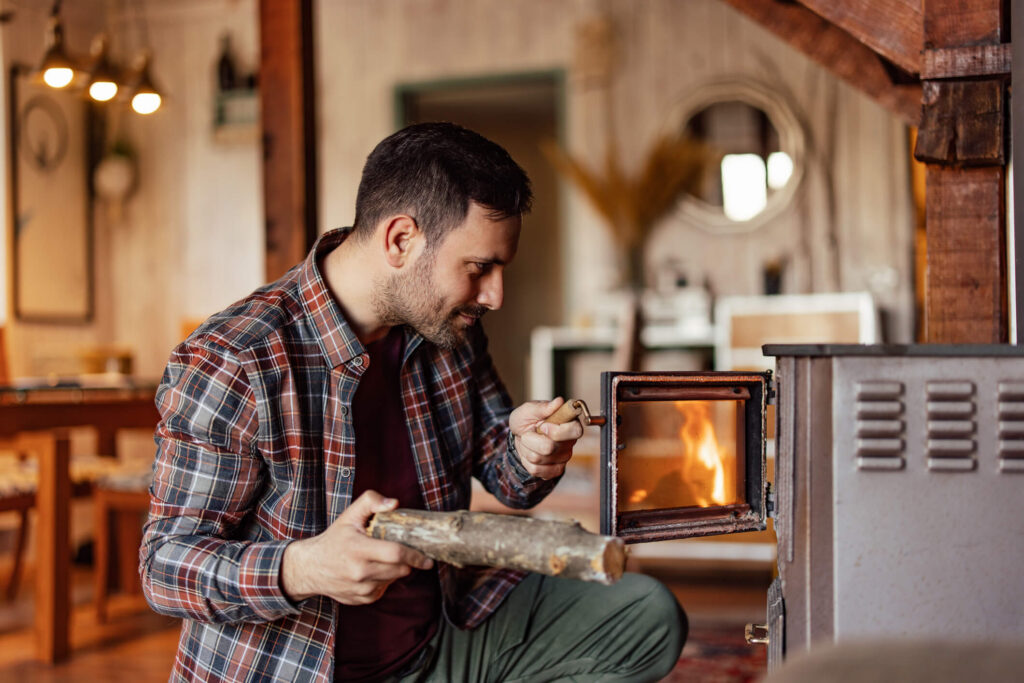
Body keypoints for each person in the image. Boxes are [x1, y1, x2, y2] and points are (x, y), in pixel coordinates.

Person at [141, 122, 687, 682]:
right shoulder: (237, 357)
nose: (495, 296)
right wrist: (302, 567)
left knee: (647, 615)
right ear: (401, 240)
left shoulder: (451, 332)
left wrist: (529, 452)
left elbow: (505, 476)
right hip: (296, 667)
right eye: (479, 269)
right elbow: (164, 568)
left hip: (439, 636)